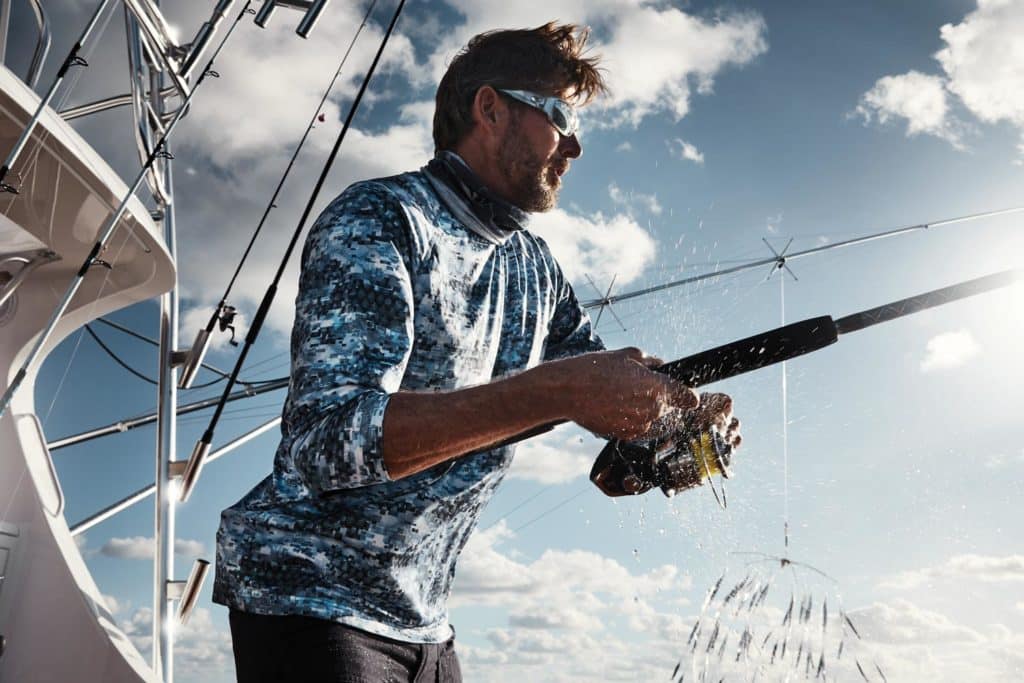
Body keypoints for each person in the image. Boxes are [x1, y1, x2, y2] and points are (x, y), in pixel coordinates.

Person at [213, 22, 742, 683]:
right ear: (489, 108)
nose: (574, 146)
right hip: (310, 598)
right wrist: (559, 392)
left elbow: (612, 437)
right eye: (557, 117)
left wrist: (677, 440)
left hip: (426, 624)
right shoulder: (381, 219)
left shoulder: (536, 269)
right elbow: (327, 443)